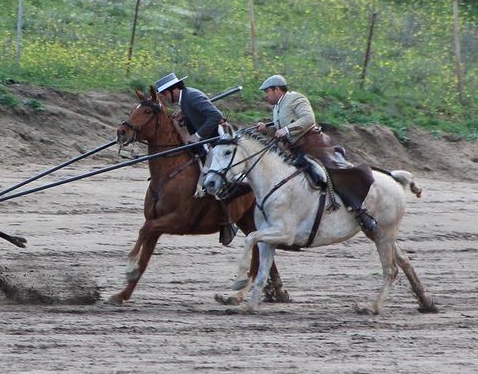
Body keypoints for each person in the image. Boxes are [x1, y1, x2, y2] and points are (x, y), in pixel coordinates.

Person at [254, 74, 379, 238]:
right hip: (296, 150)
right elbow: (282, 130)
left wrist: (286, 130)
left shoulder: (295, 98)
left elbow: (308, 119)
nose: (266, 95)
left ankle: (360, 212)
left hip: (314, 146)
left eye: (267, 91)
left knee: (332, 174)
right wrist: (267, 130)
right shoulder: (277, 108)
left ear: (277, 89)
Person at [154, 72, 235, 245]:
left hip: (216, 141)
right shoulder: (185, 100)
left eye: (166, 95)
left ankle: (227, 220)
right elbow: (196, 117)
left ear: (174, 90)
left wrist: (198, 135)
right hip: (204, 141)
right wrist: (184, 117)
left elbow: (215, 116)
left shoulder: (192, 96)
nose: (166, 99)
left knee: (212, 176)